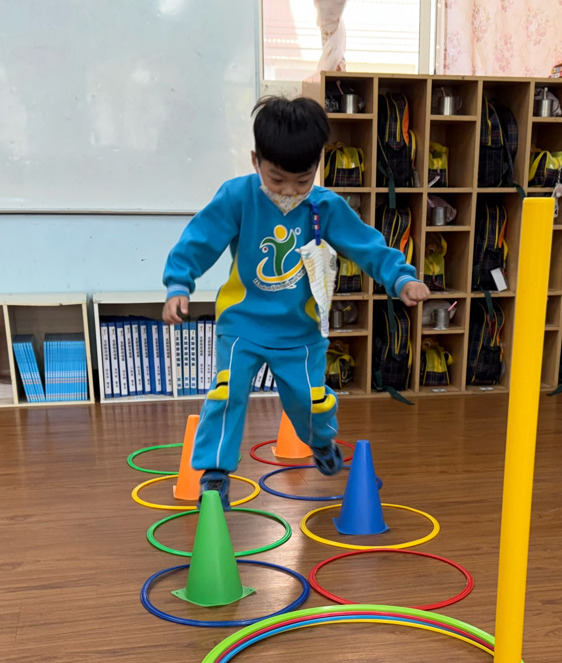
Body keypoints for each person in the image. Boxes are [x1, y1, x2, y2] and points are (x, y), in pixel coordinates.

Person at [162, 95, 430, 507]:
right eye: (277, 179)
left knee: (310, 402)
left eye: (302, 181)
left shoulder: (326, 206)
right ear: (256, 161)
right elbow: (199, 240)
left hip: (300, 332)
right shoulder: (237, 197)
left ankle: (321, 442)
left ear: (318, 165)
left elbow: (367, 245)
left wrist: (401, 277)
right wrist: (179, 285)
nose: (289, 191)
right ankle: (214, 474)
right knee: (225, 393)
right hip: (242, 325)